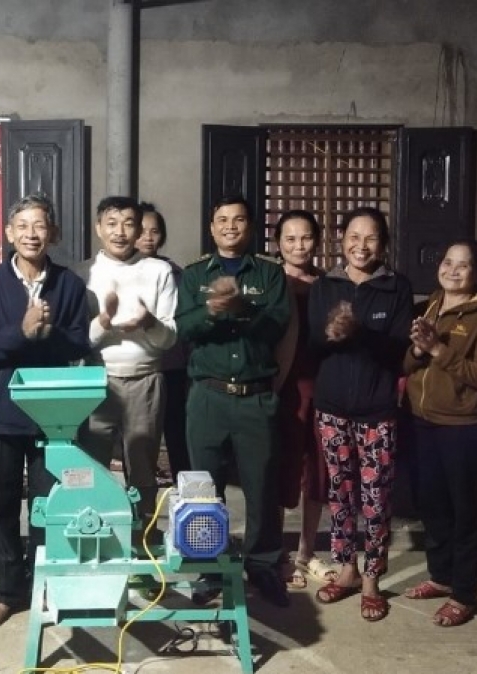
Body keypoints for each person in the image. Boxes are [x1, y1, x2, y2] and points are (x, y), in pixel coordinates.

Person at [0, 193, 90, 629]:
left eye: (40, 226)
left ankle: (45, 582)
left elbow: (79, 343)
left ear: (52, 233)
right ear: (8, 233)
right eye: (23, 226)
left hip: (52, 414)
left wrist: (48, 333)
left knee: (48, 504)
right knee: (0, 505)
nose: (31, 234)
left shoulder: (69, 285)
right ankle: (8, 590)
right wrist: (20, 331)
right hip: (1, 411)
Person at [176, 195, 291, 607]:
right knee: (203, 490)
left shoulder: (269, 274)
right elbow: (183, 328)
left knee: (262, 488)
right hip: (208, 396)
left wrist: (242, 308)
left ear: (251, 226)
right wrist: (212, 309)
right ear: (211, 228)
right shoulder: (194, 275)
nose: (230, 226)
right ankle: (208, 569)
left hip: (254, 398)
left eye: (238, 219)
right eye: (222, 219)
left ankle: (263, 566)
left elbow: (276, 326)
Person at [307, 208, 413, 622]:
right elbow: (314, 345)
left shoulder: (396, 287)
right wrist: (332, 335)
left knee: (375, 497)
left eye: (370, 238)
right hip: (332, 408)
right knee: (340, 494)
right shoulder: (325, 286)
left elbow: (398, 351)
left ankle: (372, 578)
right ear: (342, 239)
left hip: (376, 411)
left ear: (383, 244)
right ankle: (347, 568)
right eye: (354, 236)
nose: (361, 246)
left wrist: (359, 333)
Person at [400, 239, 477, 627]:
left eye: (464, 265)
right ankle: (441, 576)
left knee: (466, 513)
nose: (453, 270)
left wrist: (438, 350)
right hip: (421, 420)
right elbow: (407, 363)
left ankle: (464, 594)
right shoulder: (431, 304)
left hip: (463, 426)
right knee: (432, 506)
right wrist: (418, 349)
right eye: (448, 262)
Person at [75, 196, 178, 532]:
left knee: (143, 468)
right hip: (96, 380)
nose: (120, 232)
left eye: (128, 224)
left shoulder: (159, 271)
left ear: (139, 229)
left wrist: (149, 322)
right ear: (98, 228)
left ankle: (143, 537)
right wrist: (104, 321)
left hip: (145, 379)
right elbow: (79, 340)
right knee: (92, 466)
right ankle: (95, 534)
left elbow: (169, 339)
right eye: (111, 223)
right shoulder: (83, 274)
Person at [268, 210, 334, 590]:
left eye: (306, 237)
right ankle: (277, 552)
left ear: (317, 241)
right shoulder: (270, 281)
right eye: (290, 239)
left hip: (321, 386)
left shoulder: (328, 284)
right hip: (283, 386)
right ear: (278, 243)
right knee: (280, 467)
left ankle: (307, 551)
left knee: (317, 470)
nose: (298, 246)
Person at [135, 202, 191, 480]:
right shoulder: (120, 271)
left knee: (177, 433)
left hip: (171, 366)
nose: (148, 237)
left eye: (154, 231)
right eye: (141, 230)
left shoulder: (177, 274)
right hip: (136, 368)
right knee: (138, 438)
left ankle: (183, 490)